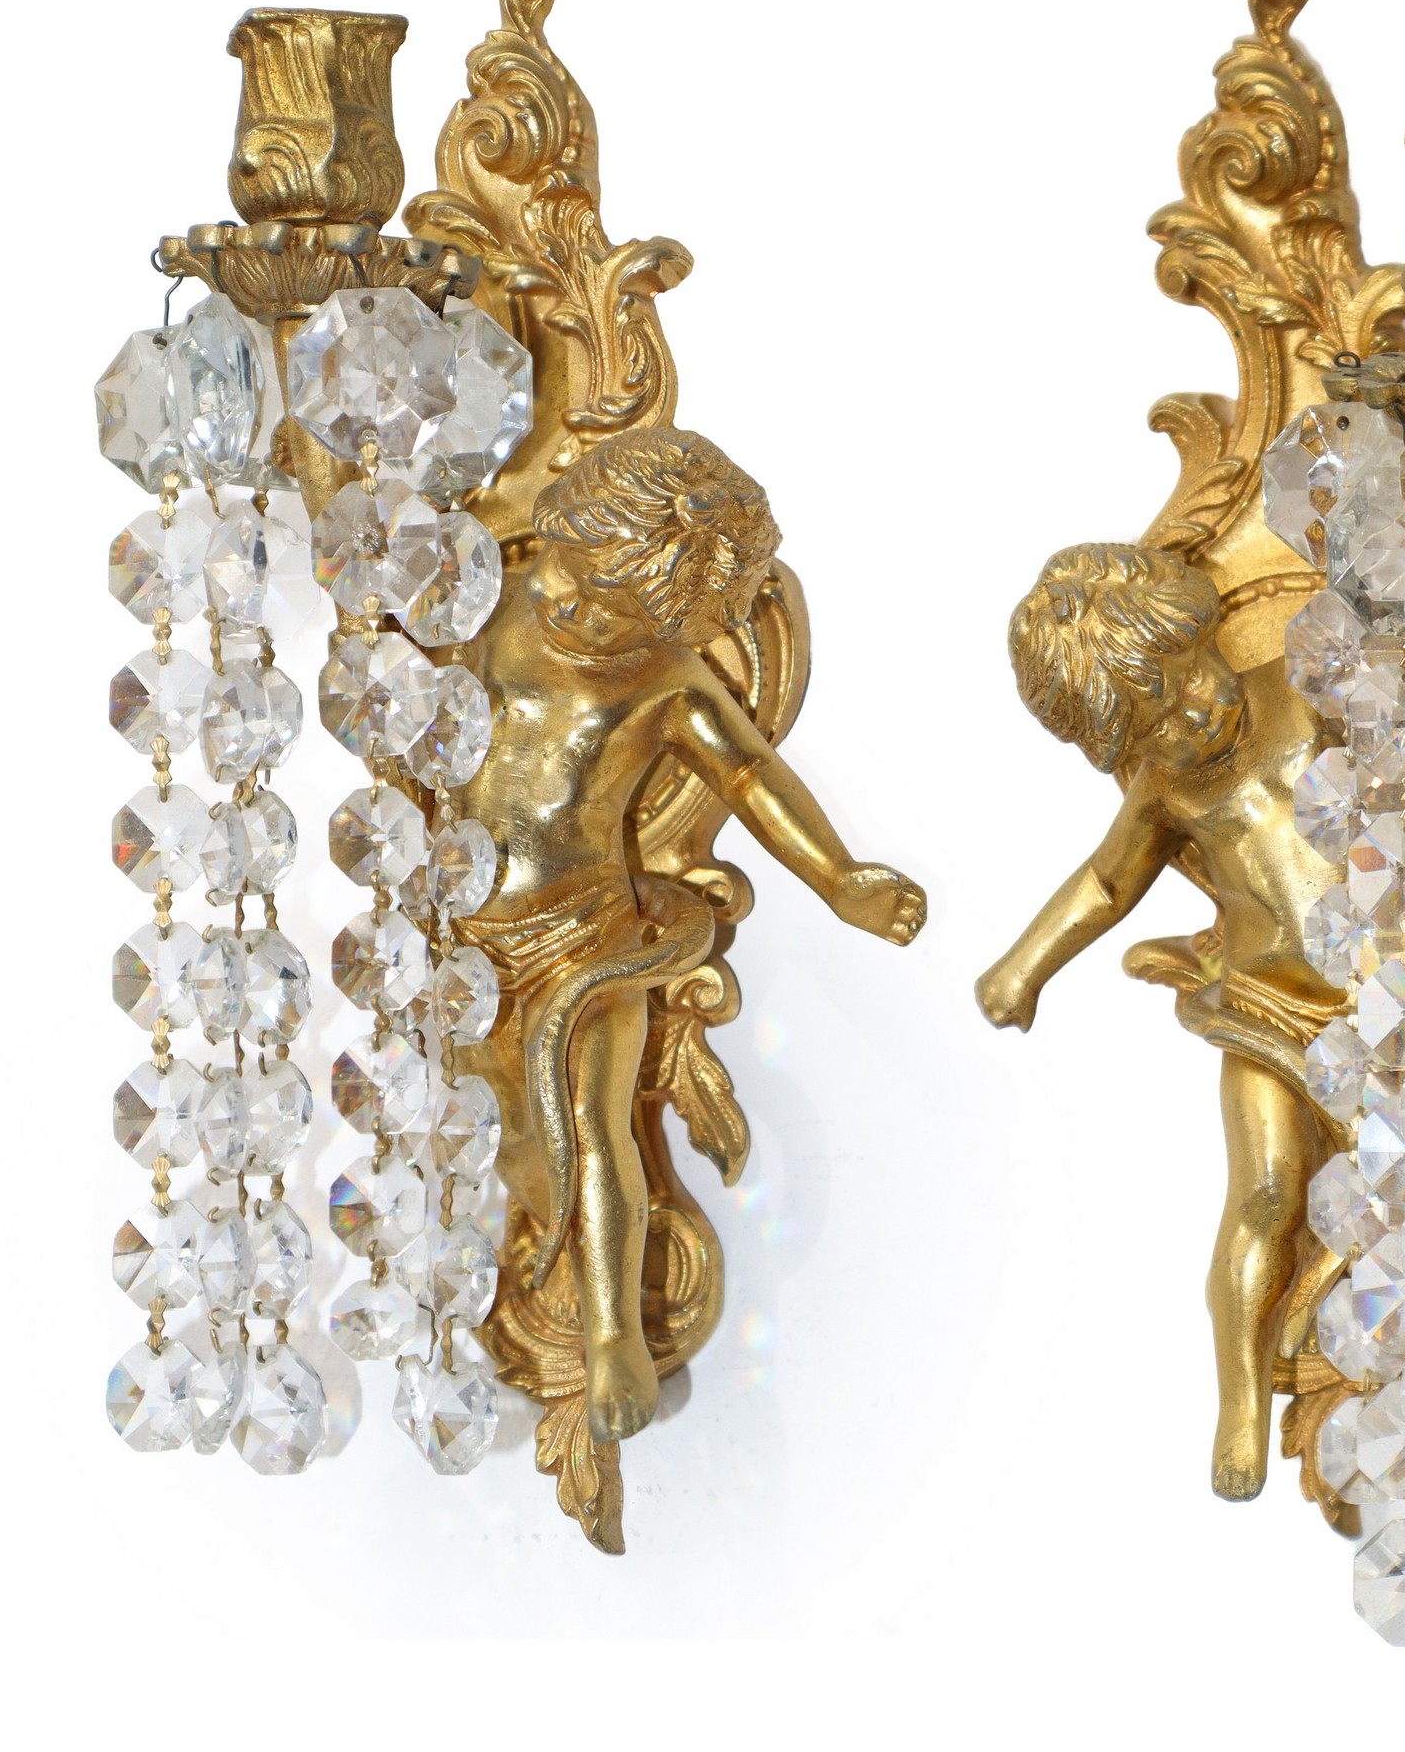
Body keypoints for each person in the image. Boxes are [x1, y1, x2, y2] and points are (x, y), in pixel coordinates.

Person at [458, 425, 926, 1444]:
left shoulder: (667, 681)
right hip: (459, 942)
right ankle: (531, 1265)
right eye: (565, 575)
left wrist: (841, 880)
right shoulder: (493, 600)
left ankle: (614, 1334)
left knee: (593, 1130)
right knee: (505, 1142)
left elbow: (751, 776)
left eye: (604, 609)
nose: (565, 605)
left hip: (585, 940)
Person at [977, 542, 1341, 1498]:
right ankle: (1240, 1406)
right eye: (1156, 725)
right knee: (1264, 1196)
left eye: (1190, 679)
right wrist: (1023, 968)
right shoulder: (1166, 790)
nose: (1193, 715)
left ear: (1207, 628)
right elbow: (1106, 883)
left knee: (1399, 1189)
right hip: (1264, 1007)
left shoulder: (1307, 682)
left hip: (1383, 1002)